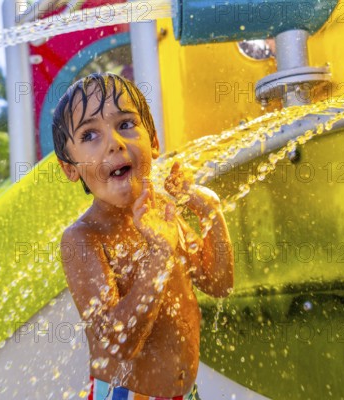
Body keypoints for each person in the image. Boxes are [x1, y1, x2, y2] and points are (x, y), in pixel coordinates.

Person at [52, 72, 234, 400]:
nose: (114, 142)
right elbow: (117, 343)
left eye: (125, 125)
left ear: (153, 141)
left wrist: (210, 210)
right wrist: (158, 257)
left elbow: (217, 283)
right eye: (90, 134)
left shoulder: (162, 212)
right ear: (71, 168)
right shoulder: (85, 238)